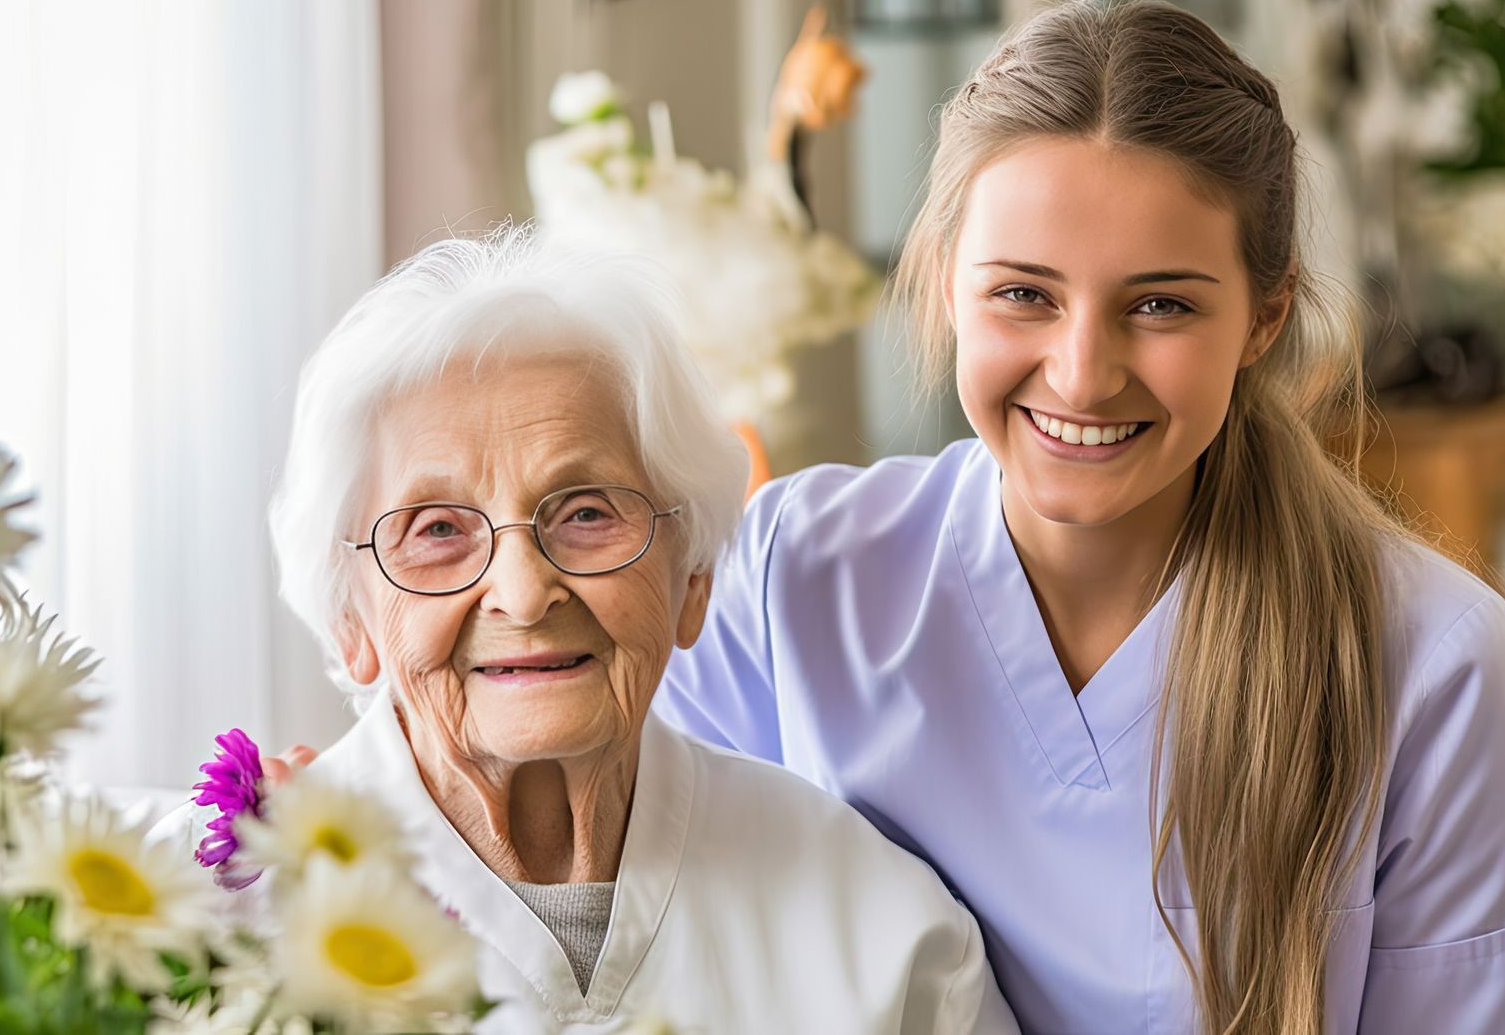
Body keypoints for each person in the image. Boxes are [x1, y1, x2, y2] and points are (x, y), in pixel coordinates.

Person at [655, 0, 1505, 1034]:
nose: (1081, 376)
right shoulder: (789, 575)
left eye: (1159, 304)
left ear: (1264, 315)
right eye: (1022, 295)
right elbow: (655, 948)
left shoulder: (1428, 660)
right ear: (948, 283)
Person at [206, 230, 1017, 1033]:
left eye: (587, 513)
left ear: (691, 579)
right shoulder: (205, 922)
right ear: (351, 618)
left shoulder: (879, 925)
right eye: (438, 530)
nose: (523, 595)